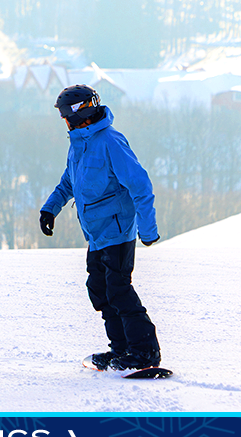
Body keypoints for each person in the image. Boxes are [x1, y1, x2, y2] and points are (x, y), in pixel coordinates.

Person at [39, 85, 162, 371]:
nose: (64, 122)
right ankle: (121, 350)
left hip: (117, 231)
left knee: (119, 290)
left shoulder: (110, 141)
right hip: (95, 233)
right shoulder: (79, 143)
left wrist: (148, 230)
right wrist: (50, 208)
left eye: (65, 116)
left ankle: (145, 353)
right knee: (99, 290)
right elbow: (69, 182)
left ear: (81, 112)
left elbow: (140, 186)